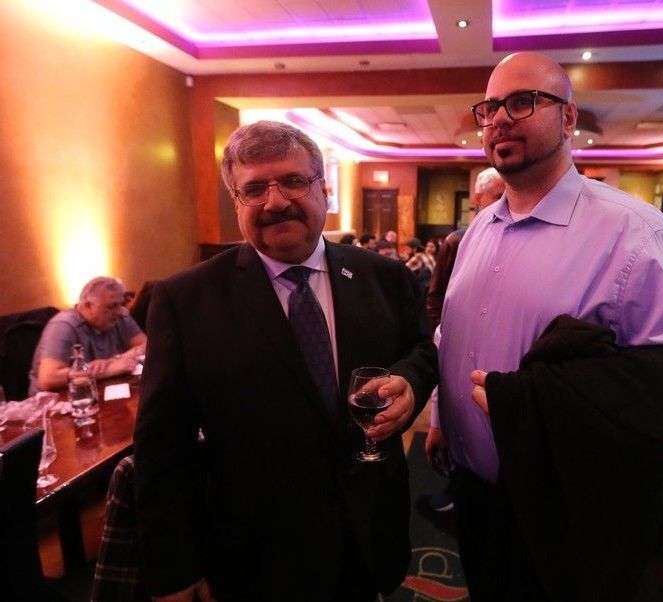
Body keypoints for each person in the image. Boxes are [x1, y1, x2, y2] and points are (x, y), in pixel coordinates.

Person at [430, 52, 663, 600]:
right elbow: (451, 336)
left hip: (561, 499)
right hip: (474, 487)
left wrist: (559, 401)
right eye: (490, 107)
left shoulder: (631, 232)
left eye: (523, 102)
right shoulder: (480, 230)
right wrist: (439, 416)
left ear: (569, 118)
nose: (500, 118)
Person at [134, 120, 437, 602]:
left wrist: (408, 381)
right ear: (236, 202)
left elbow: (422, 349)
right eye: (253, 189)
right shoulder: (185, 300)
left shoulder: (383, 275)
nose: (274, 202)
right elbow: (161, 448)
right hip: (256, 551)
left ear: (323, 188)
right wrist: (175, 567)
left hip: (367, 527)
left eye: (293, 181)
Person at [29, 276, 146, 395]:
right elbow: (48, 378)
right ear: (88, 305)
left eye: (120, 304)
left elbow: (147, 346)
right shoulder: (63, 326)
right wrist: (107, 370)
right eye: (111, 306)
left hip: (99, 392)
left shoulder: (120, 316)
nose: (119, 311)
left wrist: (114, 360)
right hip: (55, 403)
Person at [426, 167, 505, 328]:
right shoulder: (456, 241)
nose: (504, 203)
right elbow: (435, 297)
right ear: (478, 199)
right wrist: (441, 335)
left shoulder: (511, 238)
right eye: (499, 197)